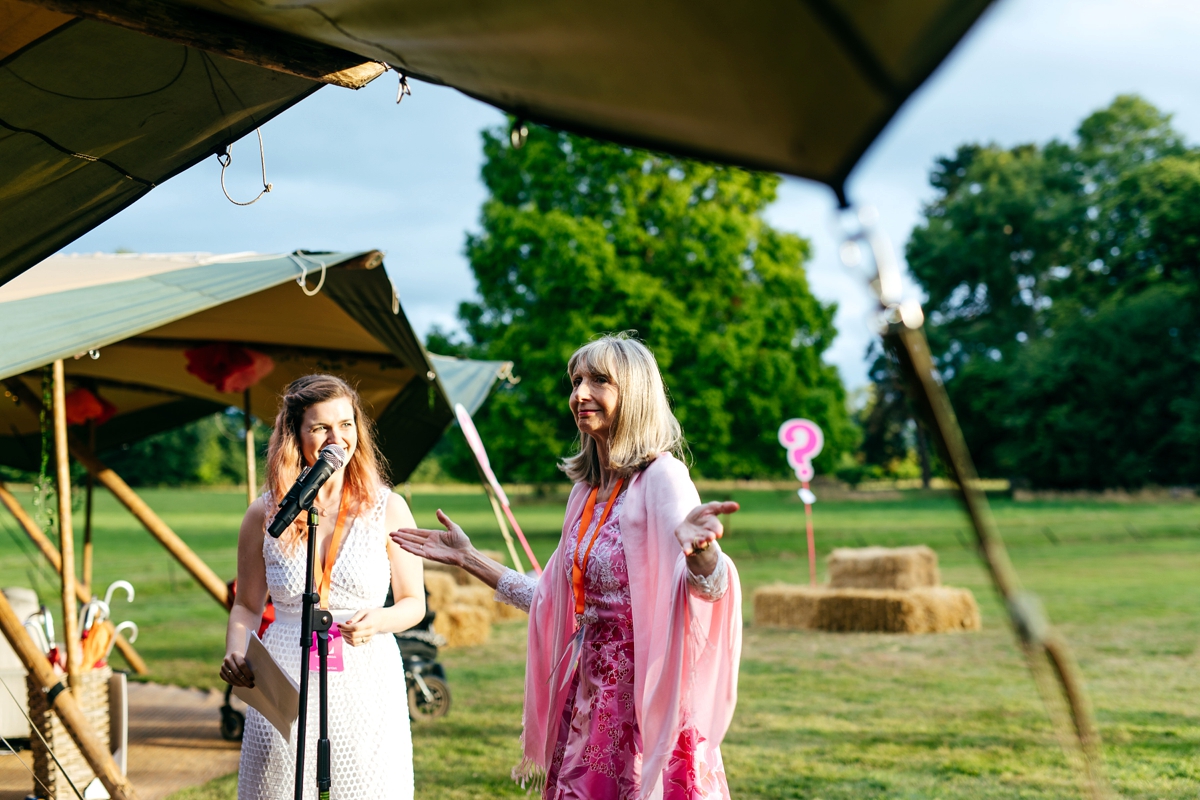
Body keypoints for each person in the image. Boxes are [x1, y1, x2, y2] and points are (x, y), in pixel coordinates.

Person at [393, 334, 742, 800]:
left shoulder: (662, 477)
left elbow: (708, 588)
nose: (579, 393)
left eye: (599, 380)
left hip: (641, 699)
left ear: (635, 393)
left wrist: (703, 553)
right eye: (576, 380)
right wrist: (468, 558)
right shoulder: (586, 494)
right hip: (588, 693)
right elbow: (551, 598)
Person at [221, 375, 425, 800]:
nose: (338, 438)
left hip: (366, 675)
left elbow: (413, 603)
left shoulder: (389, 507)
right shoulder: (264, 513)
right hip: (284, 676)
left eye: (347, 424)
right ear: (295, 435)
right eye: (321, 428)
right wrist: (235, 651)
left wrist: (380, 620)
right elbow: (245, 606)